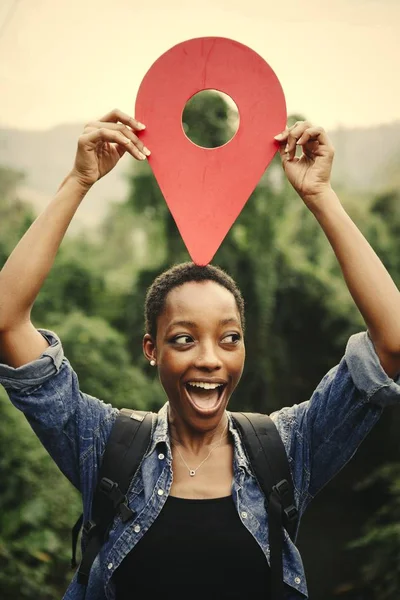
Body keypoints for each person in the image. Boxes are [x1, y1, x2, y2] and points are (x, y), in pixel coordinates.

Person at [0, 108, 399, 600]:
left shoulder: (287, 453)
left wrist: (320, 196)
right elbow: (7, 320)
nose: (211, 359)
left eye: (229, 338)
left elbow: (392, 341)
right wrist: (79, 181)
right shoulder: (105, 448)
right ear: (152, 349)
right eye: (184, 339)